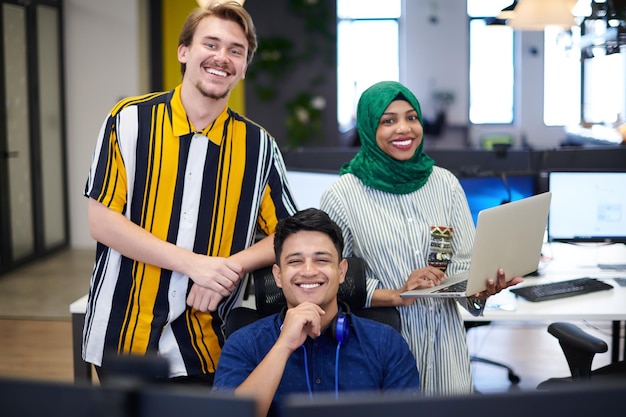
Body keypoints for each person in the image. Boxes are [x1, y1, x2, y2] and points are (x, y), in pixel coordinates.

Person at [82, 2, 297, 385]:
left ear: (245, 66)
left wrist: (225, 270)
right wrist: (194, 264)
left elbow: (288, 234)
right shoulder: (129, 119)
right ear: (184, 52)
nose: (222, 58)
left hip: (206, 340)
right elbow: (102, 222)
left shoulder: (258, 146)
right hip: (124, 333)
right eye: (210, 44)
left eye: (236, 50)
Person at [319, 80, 523, 396]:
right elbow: (327, 278)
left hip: (446, 345)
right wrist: (394, 293)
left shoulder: (445, 184)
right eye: (389, 120)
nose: (404, 129)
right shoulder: (343, 195)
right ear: (369, 127)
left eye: (411, 117)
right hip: (383, 345)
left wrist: (482, 289)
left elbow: (465, 265)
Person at [213, 208, 420, 417]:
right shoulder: (245, 343)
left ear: (341, 271)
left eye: (321, 260)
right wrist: (283, 346)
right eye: (295, 261)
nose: (309, 271)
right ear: (278, 275)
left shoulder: (385, 343)